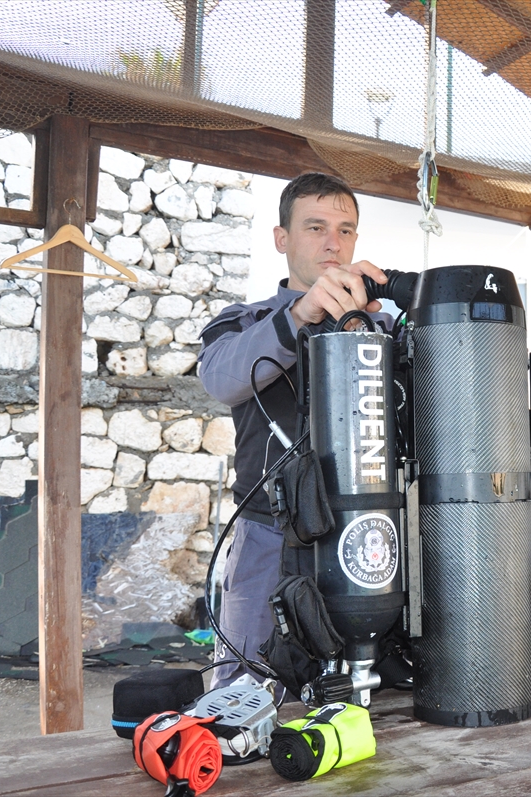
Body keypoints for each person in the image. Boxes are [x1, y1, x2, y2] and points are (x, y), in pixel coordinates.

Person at [198, 172, 390, 688]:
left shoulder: (383, 328)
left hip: (370, 530)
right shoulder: (244, 321)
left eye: (345, 230)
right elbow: (220, 380)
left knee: (371, 688)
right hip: (269, 534)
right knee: (246, 690)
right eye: (315, 227)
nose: (333, 243)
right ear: (281, 239)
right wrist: (301, 315)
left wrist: (366, 329)